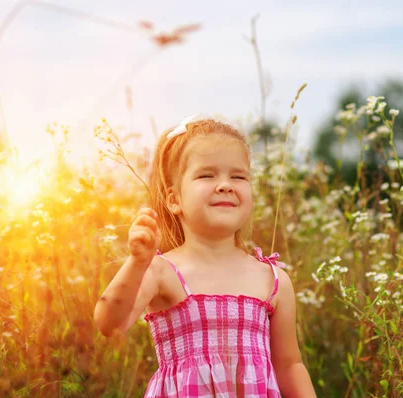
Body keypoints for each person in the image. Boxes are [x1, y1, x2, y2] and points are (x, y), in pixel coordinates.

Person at [94, 116, 316, 397]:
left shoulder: (272, 280)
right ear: (174, 199)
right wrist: (137, 263)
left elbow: (289, 365)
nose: (225, 185)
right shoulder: (162, 271)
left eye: (238, 176)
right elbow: (109, 324)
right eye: (207, 175)